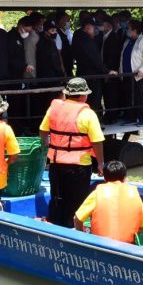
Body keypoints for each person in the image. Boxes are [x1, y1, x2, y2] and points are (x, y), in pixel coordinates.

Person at [39, 77, 105, 227]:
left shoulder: (53, 109)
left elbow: (43, 131)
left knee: (57, 199)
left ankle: (55, 227)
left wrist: (48, 145)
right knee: (77, 203)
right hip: (79, 167)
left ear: (67, 94)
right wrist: (100, 163)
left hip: (56, 164)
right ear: (83, 96)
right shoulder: (88, 114)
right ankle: (73, 231)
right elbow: (97, 141)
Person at [73, 160, 143, 243]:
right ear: (124, 178)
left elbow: (77, 219)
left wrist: (81, 235)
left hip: (101, 245)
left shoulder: (97, 193)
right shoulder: (134, 193)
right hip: (128, 246)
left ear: (105, 178)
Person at [119, 20, 143, 127]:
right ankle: (131, 117)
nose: (127, 31)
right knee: (128, 96)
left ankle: (142, 118)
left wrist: (142, 70)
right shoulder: (127, 42)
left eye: (129, 29)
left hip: (138, 75)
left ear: (135, 30)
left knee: (138, 96)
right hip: (126, 75)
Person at [72, 17, 106, 114]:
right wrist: (106, 70)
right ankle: (94, 122)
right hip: (91, 75)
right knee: (94, 100)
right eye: (93, 27)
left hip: (83, 73)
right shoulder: (86, 40)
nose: (94, 30)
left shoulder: (79, 37)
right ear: (87, 27)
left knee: (84, 100)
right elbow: (94, 58)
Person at [99, 15, 123, 123]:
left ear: (108, 26)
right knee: (107, 95)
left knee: (111, 95)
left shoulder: (113, 38)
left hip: (111, 71)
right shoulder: (103, 37)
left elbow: (112, 57)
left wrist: (108, 72)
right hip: (105, 70)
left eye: (102, 24)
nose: (100, 27)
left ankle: (112, 117)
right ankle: (108, 115)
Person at [54, 11, 74, 77]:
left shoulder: (65, 33)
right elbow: (58, 53)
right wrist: (63, 69)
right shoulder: (57, 34)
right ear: (61, 20)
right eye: (67, 20)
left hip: (68, 66)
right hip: (64, 69)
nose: (69, 22)